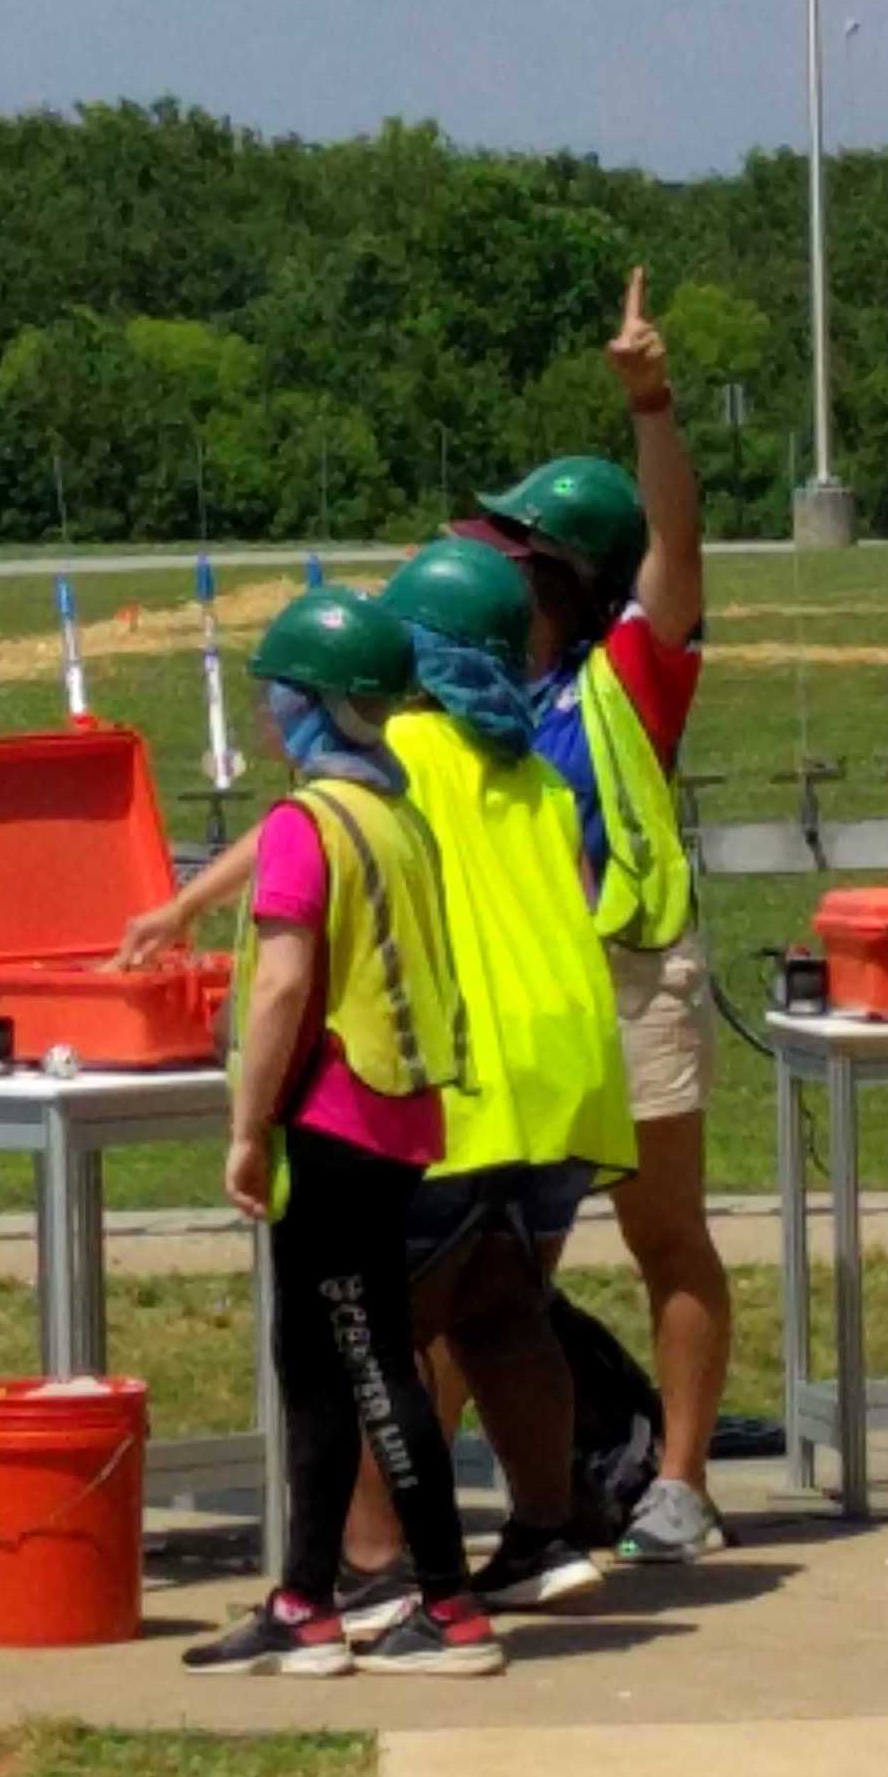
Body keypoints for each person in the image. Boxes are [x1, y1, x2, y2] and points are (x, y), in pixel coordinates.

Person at [446, 270, 732, 1566]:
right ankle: (481, 1509)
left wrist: (652, 402)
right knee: (490, 1267)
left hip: (632, 982)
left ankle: (679, 1484)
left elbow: (676, 545)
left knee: (666, 1236)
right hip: (531, 1004)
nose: (490, 573)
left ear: (566, 573)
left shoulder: (629, 667)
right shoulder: (486, 686)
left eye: (514, 556)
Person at [183, 586, 503, 1678]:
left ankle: (450, 1604)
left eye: (275, 694)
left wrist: (245, 1126)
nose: (265, 713)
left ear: (312, 705)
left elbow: (280, 987)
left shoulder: (306, 823)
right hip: (400, 1110)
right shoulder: (395, 814)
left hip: (332, 1120)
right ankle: (305, 1598)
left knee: (367, 1363)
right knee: (318, 1363)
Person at [344, 534, 643, 1614]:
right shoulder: (540, 777)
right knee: (505, 1309)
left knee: (372, 1327)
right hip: (561, 1079)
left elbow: (333, 861)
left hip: (455, 1083)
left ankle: (374, 1567)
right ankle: (544, 1530)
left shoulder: (391, 761)